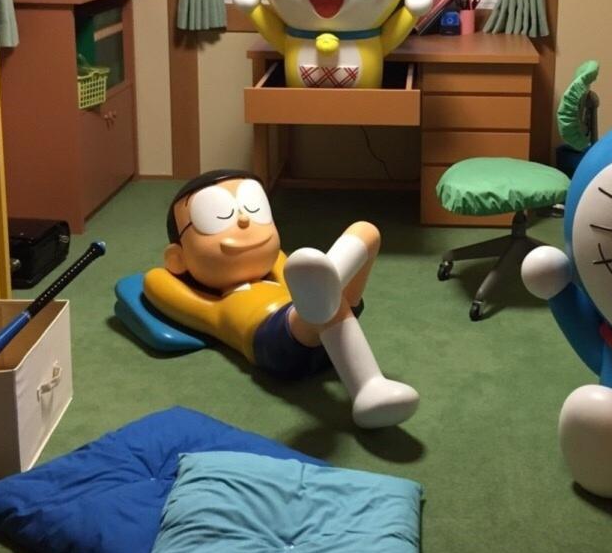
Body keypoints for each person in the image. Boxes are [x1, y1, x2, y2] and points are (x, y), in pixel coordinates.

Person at [143, 169, 419, 429]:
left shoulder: (286, 267)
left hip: (323, 321)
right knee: (317, 293)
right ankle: (367, 380)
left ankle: (327, 298)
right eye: (217, 216)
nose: (244, 219)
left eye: (255, 208)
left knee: (366, 231)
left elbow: (285, 262)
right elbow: (156, 281)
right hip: (276, 339)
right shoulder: (216, 307)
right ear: (178, 257)